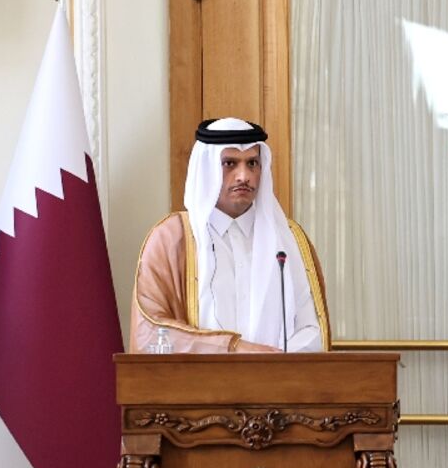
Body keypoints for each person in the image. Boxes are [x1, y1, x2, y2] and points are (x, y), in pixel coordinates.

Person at [131, 118, 330, 353]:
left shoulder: (289, 239)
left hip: (277, 385)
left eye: (252, 163)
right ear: (206, 169)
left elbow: (312, 330)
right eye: (230, 163)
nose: (243, 176)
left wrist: (272, 368)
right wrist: (232, 349)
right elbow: (150, 332)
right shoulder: (171, 238)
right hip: (198, 386)